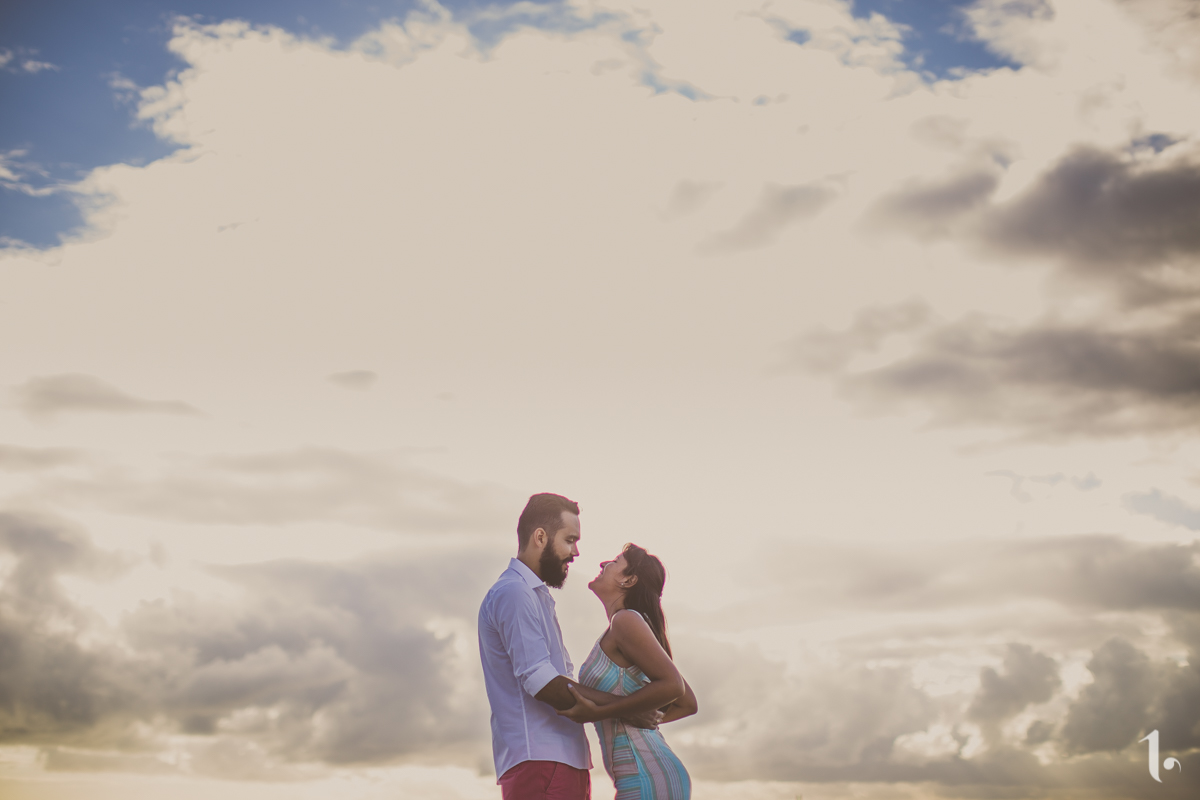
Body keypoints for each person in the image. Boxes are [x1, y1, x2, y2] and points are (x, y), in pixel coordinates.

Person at [478, 494, 665, 800]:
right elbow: (541, 681)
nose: (576, 552)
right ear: (540, 537)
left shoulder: (536, 596)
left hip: (560, 759)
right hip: (541, 759)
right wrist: (625, 712)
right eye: (569, 540)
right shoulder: (514, 593)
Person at [558, 544, 697, 800]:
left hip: (647, 776)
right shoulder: (625, 626)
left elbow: (676, 690)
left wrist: (604, 712)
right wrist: (635, 713)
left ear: (628, 579)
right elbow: (687, 703)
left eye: (614, 561)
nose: (603, 564)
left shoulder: (625, 621)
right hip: (646, 775)